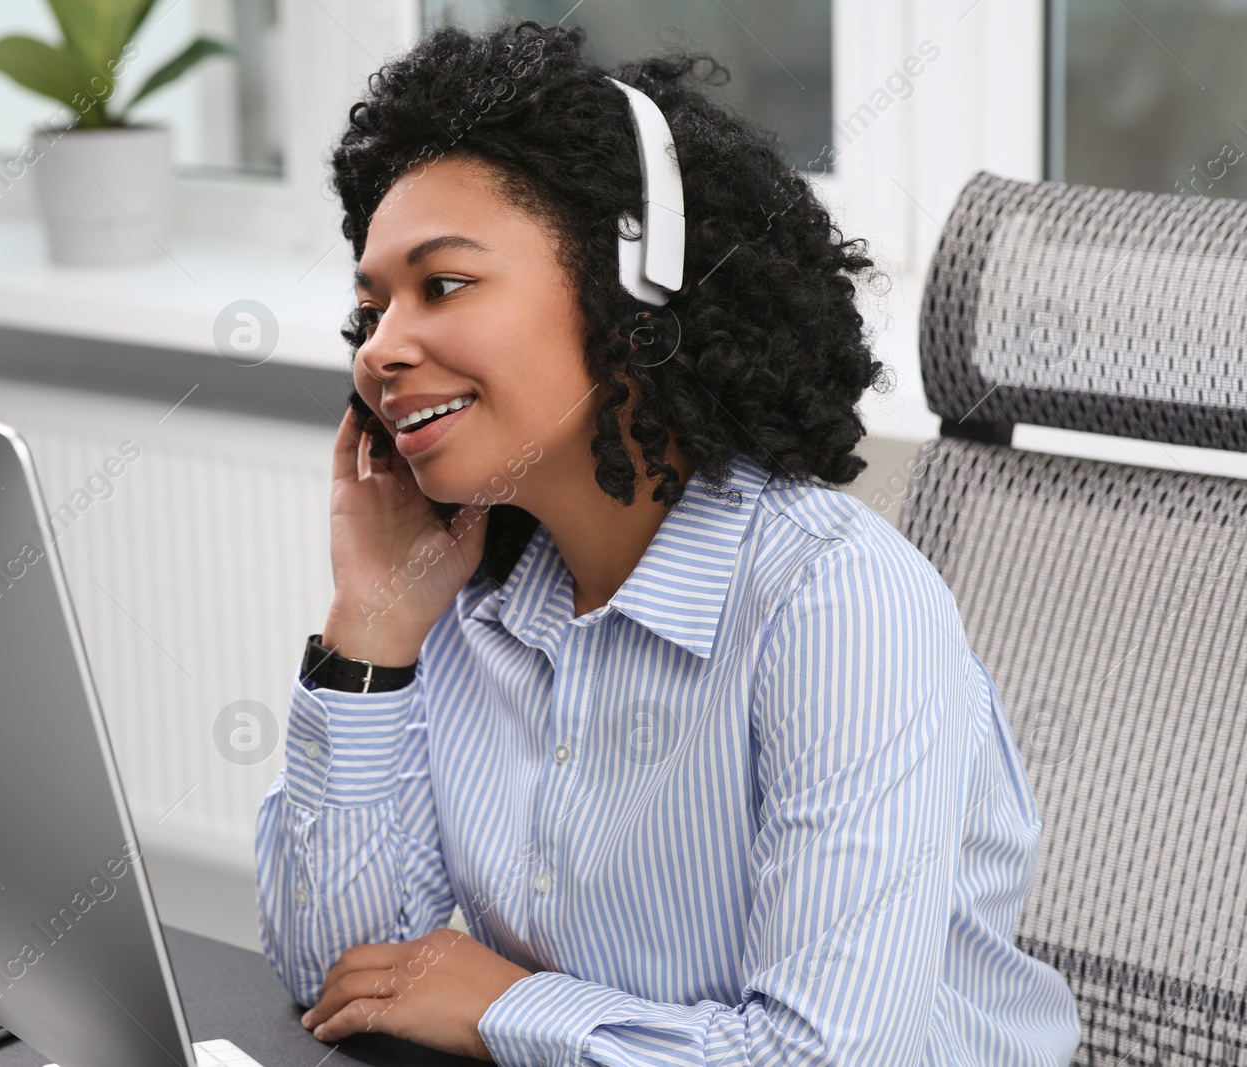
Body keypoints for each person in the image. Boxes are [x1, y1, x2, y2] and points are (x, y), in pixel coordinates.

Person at [254, 20, 1081, 1066]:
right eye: (368, 310)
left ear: (631, 291)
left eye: (443, 284)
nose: (380, 348)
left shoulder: (833, 603)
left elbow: (823, 1057)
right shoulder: (471, 588)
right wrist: (370, 628)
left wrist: (507, 1005)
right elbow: (343, 976)